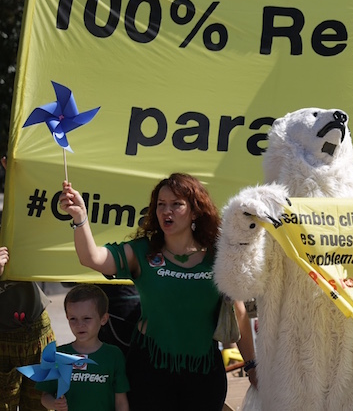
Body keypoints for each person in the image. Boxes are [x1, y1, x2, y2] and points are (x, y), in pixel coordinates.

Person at [59, 173, 257, 411]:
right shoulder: (143, 251)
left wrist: (252, 365)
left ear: (195, 211)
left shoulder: (219, 256)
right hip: (149, 372)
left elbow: (239, 312)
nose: (166, 211)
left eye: (176, 204)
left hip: (203, 373)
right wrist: (80, 219)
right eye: (161, 205)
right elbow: (91, 258)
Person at [1, 154, 56, 411]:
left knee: (42, 403)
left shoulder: (9, 218)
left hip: (37, 330)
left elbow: (42, 214)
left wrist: (21, 181)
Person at [37, 284, 129, 411]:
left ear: (103, 319)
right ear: (67, 318)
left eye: (87, 318)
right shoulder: (57, 354)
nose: (80, 324)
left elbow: (121, 400)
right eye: (73, 319)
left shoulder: (114, 355)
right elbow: (45, 396)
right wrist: (54, 404)